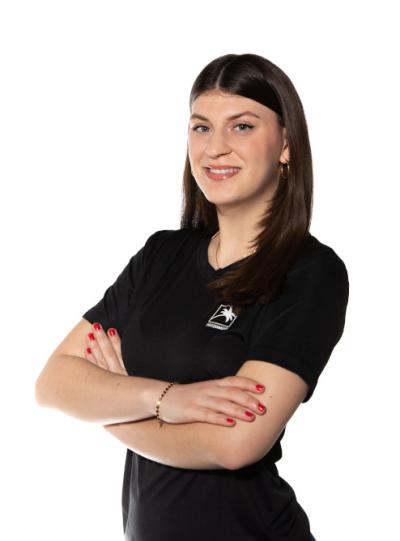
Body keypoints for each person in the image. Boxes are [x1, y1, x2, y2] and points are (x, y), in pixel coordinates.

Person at [35, 53, 349, 541]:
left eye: (242, 126)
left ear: (286, 144)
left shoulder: (310, 274)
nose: (215, 148)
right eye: (201, 128)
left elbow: (235, 445)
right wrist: (167, 400)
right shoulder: (161, 256)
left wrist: (111, 410)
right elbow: (53, 382)